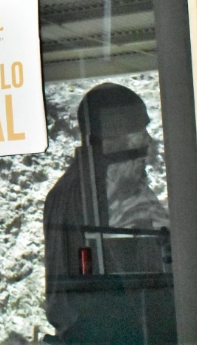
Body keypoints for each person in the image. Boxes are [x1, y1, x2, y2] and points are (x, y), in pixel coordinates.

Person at [42, 83, 171, 344]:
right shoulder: (118, 189)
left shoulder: (61, 192)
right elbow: (152, 285)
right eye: (139, 131)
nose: (148, 141)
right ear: (114, 139)